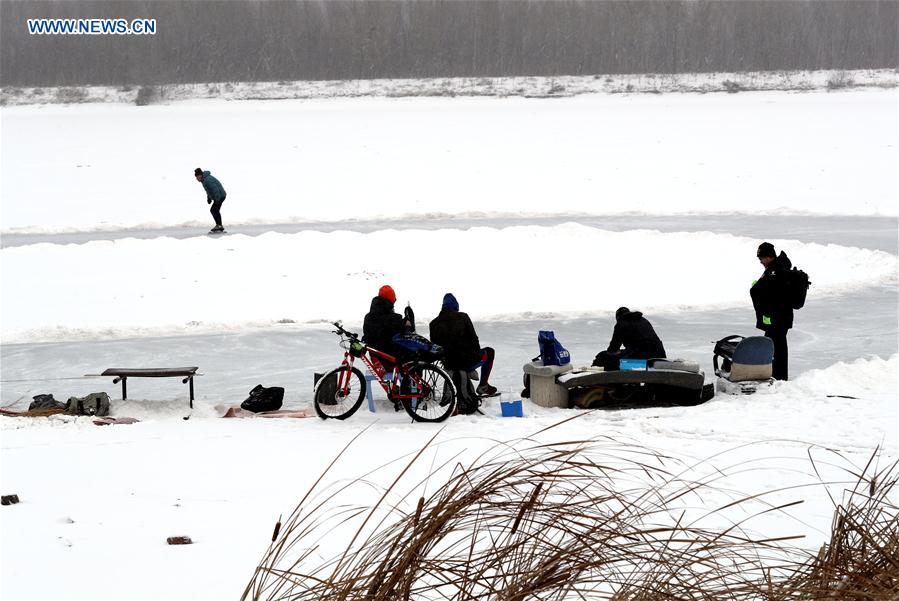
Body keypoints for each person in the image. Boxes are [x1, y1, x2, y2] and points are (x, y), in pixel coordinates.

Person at [428, 293, 497, 397]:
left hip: (448, 364)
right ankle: (483, 385)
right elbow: (474, 339)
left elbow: (435, 346)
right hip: (466, 362)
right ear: (456, 306)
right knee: (490, 352)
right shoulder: (463, 317)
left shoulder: (433, 324)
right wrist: (475, 356)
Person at [750, 242, 793, 380]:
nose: (760, 262)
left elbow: (773, 294)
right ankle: (777, 376)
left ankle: (779, 377)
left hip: (778, 318)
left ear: (768, 257)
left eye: (761, 258)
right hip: (779, 317)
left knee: (777, 346)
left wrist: (758, 288)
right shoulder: (775, 268)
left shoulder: (775, 270)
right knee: (775, 345)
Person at [592, 307, 666, 370]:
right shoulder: (643, 320)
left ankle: (610, 379)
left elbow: (613, 348)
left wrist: (607, 354)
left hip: (641, 355)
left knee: (604, 357)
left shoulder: (621, 323)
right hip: (659, 353)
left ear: (618, 317)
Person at [363, 285, 413, 359]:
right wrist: (407, 324)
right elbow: (405, 333)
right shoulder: (393, 319)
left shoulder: (368, 317)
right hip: (390, 357)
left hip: (375, 355)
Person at [194, 168, 226, 233]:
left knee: (214, 210)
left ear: (200, 175)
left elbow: (215, 189)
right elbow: (209, 190)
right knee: (214, 210)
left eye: (197, 177)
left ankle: (219, 225)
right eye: (196, 177)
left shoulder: (207, 180)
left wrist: (217, 199)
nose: (196, 179)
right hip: (219, 196)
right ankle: (219, 225)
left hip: (220, 196)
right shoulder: (204, 180)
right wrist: (209, 198)